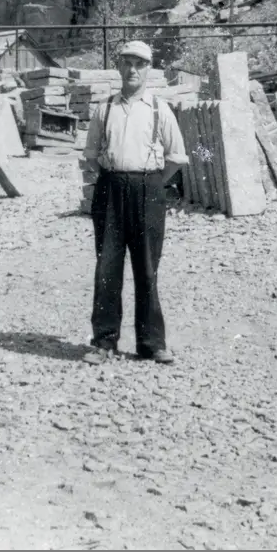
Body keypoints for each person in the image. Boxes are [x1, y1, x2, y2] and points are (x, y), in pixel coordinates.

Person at [81, 41, 189, 366]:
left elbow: (177, 158)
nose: (132, 70)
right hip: (111, 190)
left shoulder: (159, 109)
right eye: (127, 63)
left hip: (149, 191)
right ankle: (103, 342)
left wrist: (150, 180)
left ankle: (152, 343)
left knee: (146, 269)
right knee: (108, 268)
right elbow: (91, 157)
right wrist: (117, 176)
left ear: (148, 70)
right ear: (119, 67)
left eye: (139, 64)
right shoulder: (105, 109)